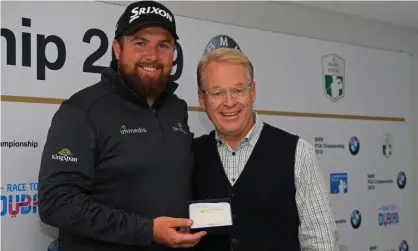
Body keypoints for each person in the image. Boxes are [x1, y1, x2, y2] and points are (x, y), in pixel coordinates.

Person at [37, 1, 206, 251]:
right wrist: (147, 231)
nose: (152, 56)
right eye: (140, 43)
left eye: (164, 45)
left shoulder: (176, 108)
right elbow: (56, 203)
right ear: (118, 48)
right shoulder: (82, 110)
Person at [192, 48, 339, 251]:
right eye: (217, 93)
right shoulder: (189, 156)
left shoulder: (297, 153)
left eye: (238, 90)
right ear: (202, 100)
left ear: (253, 92)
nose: (229, 102)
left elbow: (321, 242)